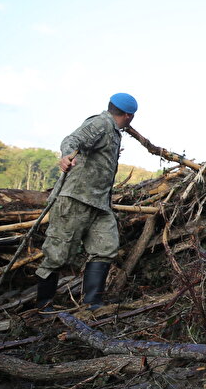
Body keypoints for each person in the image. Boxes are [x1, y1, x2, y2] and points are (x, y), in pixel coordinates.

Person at [34, 93, 138, 313]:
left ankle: (93, 303)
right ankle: (44, 304)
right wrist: (66, 156)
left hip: (99, 203)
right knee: (58, 253)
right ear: (129, 115)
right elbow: (72, 140)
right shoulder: (101, 123)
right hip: (76, 199)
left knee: (105, 247)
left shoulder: (114, 131)